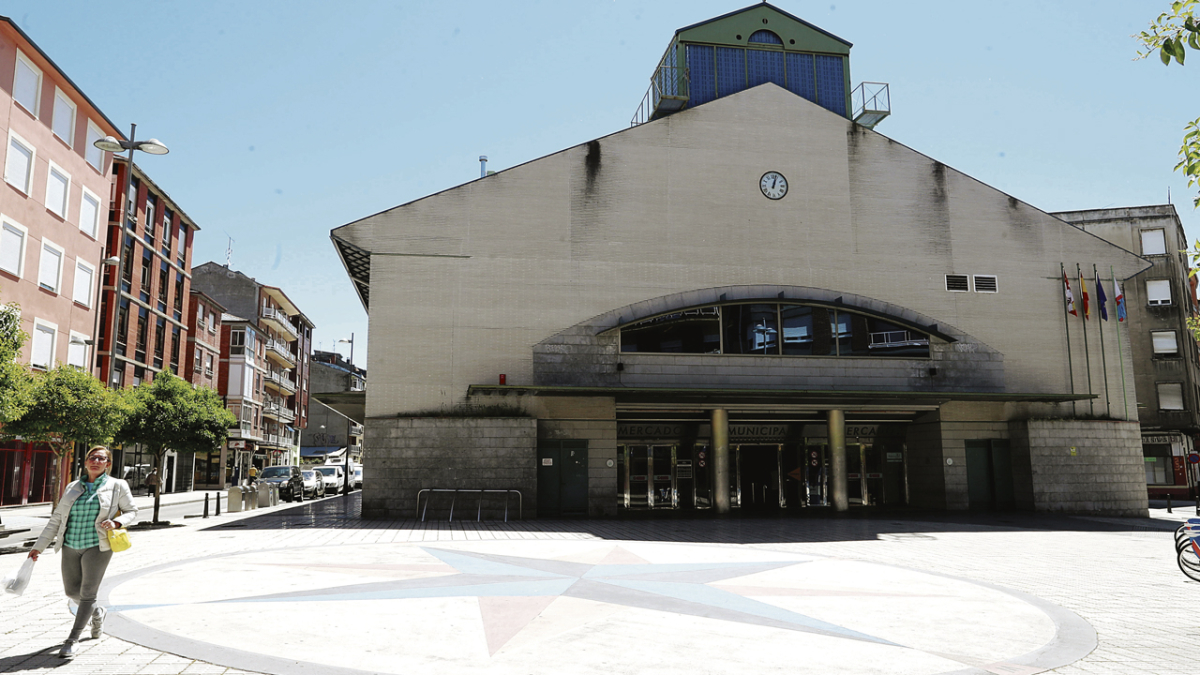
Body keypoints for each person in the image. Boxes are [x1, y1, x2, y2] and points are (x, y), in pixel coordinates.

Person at [29, 446, 137, 659]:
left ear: (108, 463)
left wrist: (116, 522)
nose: (96, 461)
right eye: (92, 457)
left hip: (97, 546)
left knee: (88, 593)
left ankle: (73, 639)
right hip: (70, 545)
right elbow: (57, 519)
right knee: (71, 591)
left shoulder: (117, 485)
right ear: (86, 462)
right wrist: (39, 546)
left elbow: (132, 511)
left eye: (101, 458)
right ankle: (97, 612)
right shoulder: (72, 487)